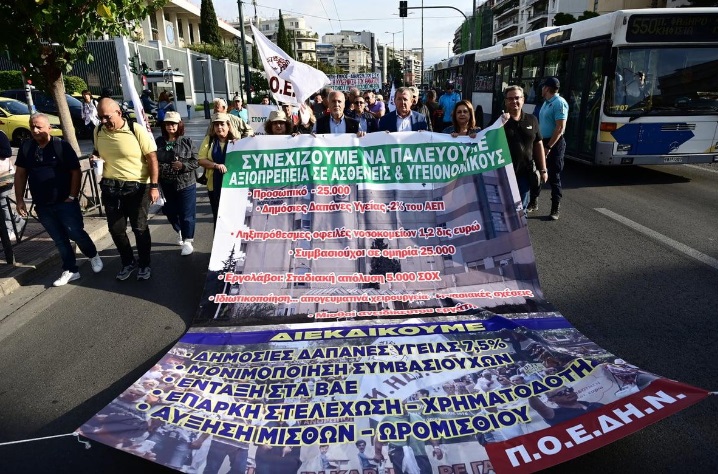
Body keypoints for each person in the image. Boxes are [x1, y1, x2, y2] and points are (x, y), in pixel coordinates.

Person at [14, 113, 103, 286]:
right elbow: (20, 174)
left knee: (75, 232)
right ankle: (71, 270)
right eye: (32, 127)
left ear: (49, 128)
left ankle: (93, 255)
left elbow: (75, 172)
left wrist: (72, 196)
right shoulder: (27, 147)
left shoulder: (61, 146)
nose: (35, 130)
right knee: (60, 240)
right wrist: (19, 199)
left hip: (65, 202)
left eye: (39, 127)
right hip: (42, 205)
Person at [93, 98, 159, 281]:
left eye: (107, 117)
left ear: (119, 113)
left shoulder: (135, 129)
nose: (104, 121)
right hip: (110, 187)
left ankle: (144, 264)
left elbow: (152, 158)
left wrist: (154, 186)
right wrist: (94, 157)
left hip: (137, 186)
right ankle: (128, 262)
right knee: (116, 230)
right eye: (100, 117)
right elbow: (97, 151)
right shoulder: (98, 131)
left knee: (139, 228)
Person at [155, 111, 199, 256]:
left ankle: (188, 240)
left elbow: (196, 161)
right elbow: (152, 160)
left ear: (179, 125)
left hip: (186, 183)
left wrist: (183, 165)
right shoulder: (158, 142)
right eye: (168, 124)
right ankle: (179, 229)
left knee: (187, 213)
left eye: (173, 123)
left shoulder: (187, 141)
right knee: (170, 211)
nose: (171, 126)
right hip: (166, 184)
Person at [501, 86, 547, 210]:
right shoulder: (499, 121)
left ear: (523, 100)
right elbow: (485, 140)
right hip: (504, 175)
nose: (514, 101)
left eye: (517, 98)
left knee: (521, 210)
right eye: (510, 98)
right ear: (506, 101)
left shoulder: (532, 120)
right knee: (505, 209)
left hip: (525, 174)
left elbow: (538, 145)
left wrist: (543, 169)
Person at [198, 113, 241, 224]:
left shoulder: (237, 141)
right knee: (218, 217)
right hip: (214, 186)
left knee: (234, 216)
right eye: (216, 125)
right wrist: (216, 165)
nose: (219, 127)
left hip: (232, 186)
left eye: (222, 124)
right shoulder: (209, 140)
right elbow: (201, 160)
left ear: (228, 126)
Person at [535, 77, 568, 220]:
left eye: (543, 87)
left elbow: (560, 128)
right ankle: (533, 201)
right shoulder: (546, 102)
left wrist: (548, 147)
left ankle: (555, 208)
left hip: (554, 143)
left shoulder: (559, 103)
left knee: (554, 176)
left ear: (547, 88)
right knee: (536, 172)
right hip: (542, 141)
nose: (541, 89)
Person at [528, 385, 604, 427]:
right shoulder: (556, 415)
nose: (568, 393)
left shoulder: (594, 404)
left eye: (569, 390)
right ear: (551, 400)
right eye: (560, 393)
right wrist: (529, 393)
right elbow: (540, 407)